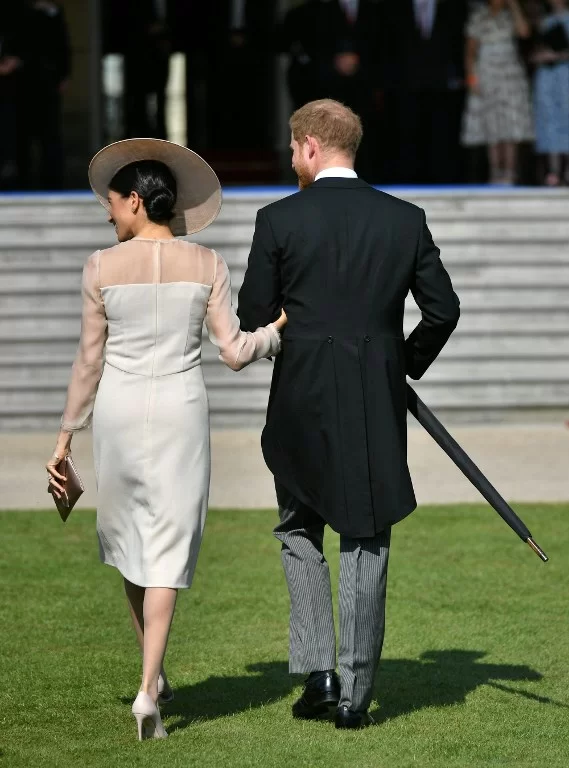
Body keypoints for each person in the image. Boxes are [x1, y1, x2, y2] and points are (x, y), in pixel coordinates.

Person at [45, 139, 286, 740]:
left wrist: (64, 435)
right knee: (168, 545)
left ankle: (152, 678)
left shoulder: (100, 266)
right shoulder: (207, 264)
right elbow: (234, 352)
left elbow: (88, 361)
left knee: (131, 537)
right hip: (180, 408)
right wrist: (277, 333)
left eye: (112, 202)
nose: (107, 213)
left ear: (135, 200)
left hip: (120, 409)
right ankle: (149, 687)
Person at [237, 99, 460, 729]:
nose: (290, 159)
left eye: (290, 148)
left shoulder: (277, 220)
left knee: (298, 530)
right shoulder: (405, 219)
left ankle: (322, 675)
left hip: (302, 395)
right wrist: (402, 362)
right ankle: (354, 697)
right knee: (367, 537)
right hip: (372, 397)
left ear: (310, 145)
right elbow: (443, 311)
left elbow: (255, 314)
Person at [279, 0, 385, 180]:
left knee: (365, 146)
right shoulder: (314, 10)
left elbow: (384, 47)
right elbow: (303, 49)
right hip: (324, 91)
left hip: (364, 92)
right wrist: (333, 63)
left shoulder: (376, 10)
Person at [382, 0, 468, 184]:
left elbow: (458, 41)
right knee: (407, 135)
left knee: (441, 135)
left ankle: (441, 179)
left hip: (442, 86)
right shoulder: (395, 6)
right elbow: (388, 45)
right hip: (405, 85)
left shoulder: (452, 6)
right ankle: (407, 179)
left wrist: (460, 75)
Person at [461, 0, 534, 185]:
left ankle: (510, 172)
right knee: (492, 125)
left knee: (510, 125)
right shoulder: (479, 15)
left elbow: (524, 31)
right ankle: (495, 173)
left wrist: (514, 5)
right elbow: (470, 51)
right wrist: (471, 78)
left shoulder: (510, 14)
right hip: (487, 74)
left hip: (510, 74)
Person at [15, 0, 71, 189]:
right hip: (23, 81)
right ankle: (24, 179)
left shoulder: (54, 12)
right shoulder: (20, 11)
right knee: (23, 133)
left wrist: (64, 74)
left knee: (50, 134)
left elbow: (63, 46)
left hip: (48, 81)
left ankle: (52, 179)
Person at [532, 0, 569, 185]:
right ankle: (553, 170)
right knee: (548, 121)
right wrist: (539, 56)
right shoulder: (544, 20)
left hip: (565, 75)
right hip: (547, 76)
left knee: (566, 118)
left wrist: (558, 56)